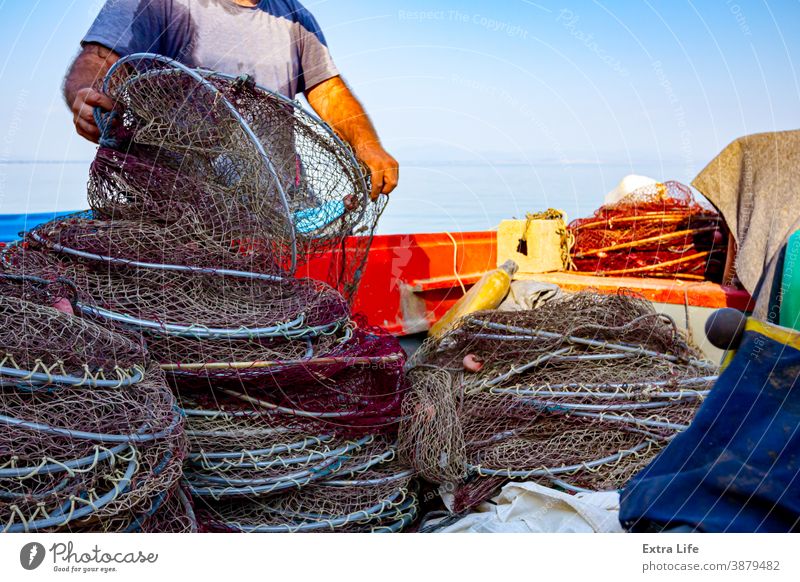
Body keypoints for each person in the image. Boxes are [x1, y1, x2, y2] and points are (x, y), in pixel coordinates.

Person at [63, 0, 398, 199]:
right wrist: (88, 93)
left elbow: (328, 90)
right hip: (176, 205)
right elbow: (99, 59)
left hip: (276, 209)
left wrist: (366, 143)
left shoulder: (296, 16)